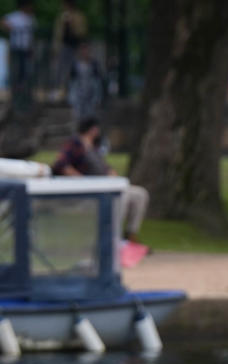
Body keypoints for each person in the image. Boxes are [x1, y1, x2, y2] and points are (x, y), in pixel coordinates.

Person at [51, 116, 149, 244]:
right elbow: (61, 164)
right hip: (90, 188)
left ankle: (130, 234)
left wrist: (111, 173)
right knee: (121, 196)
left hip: (106, 184)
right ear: (91, 129)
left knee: (140, 194)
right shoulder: (75, 144)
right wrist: (81, 179)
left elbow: (103, 166)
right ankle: (113, 235)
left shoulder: (94, 146)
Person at [0, 2, 36, 109]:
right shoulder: (15, 16)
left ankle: (25, 92)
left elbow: (31, 35)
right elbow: (2, 22)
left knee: (26, 72)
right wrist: (10, 28)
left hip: (26, 49)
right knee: (17, 72)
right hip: (16, 49)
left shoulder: (31, 18)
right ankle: (16, 93)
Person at [52, 0, 88, 97]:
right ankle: (60, 90)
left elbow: (81, 32)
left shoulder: (79, 16)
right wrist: (56, 47)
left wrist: (72, 23)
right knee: (60, 69)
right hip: (64, 46)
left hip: (75, 47)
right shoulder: (61, 16)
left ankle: (74, 90)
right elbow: (58, 34)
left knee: (74, 69)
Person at [66, 41, 105, 125]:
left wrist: (98, 98)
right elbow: (72, 83)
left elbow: (97, 83)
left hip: (91, 96)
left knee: (90, 118)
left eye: (86, 50)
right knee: (78, 118)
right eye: (83, 50)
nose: (85, 52)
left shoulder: (94, 65)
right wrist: (71, 98)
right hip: (79, 97)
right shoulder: (75, 65)